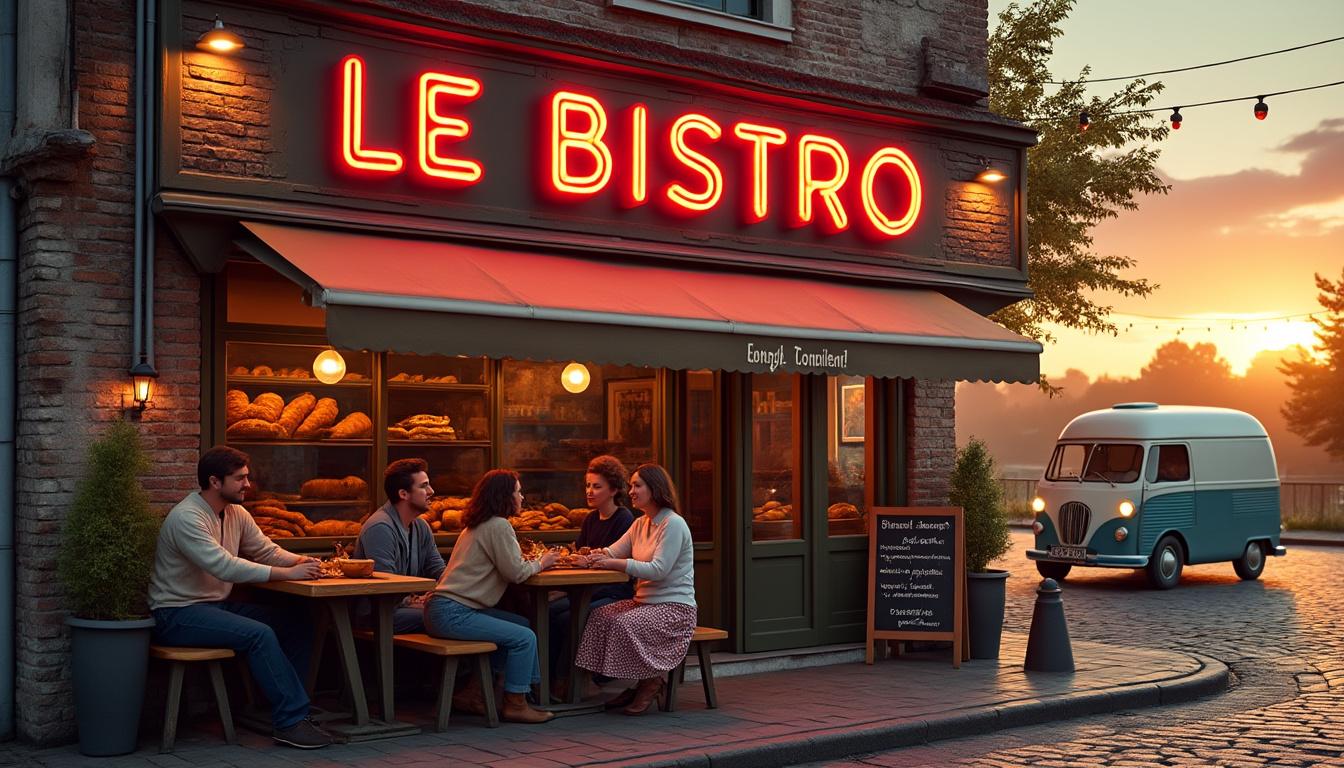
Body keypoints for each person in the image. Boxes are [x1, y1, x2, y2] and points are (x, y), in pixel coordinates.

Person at [148, 446, 332, 749]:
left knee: (298, 622)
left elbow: (266, 550)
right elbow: (223, 565)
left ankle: (285, 708)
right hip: (176, 613)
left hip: (214, 607)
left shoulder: (235, 512)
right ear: (215, 481)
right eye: (240, 478)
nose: (248, 484)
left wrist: (301, 563)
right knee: (259, 634)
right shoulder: (187, 518)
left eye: (247, 477)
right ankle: (290, 721)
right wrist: (285, 574)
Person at [424, 469, 558, 724]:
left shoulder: (476, 524)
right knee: (524, 638)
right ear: (505, 496)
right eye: (518, 492)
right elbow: (516, 572)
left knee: (520, 625)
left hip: (442, 609)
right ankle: (516, 702)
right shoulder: (499, 525)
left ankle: (473, 693)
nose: (522, 497)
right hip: (454, 612)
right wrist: (543, 562)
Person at [575, 463, 696, 716]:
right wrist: (592, 556)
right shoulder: (641, 523)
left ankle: (651, 681)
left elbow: (658, 569)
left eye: (637, 485)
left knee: (623, 623)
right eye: (630, 485)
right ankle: (622, 681)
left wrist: (613, 563)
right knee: (599, 617)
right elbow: (612, 551)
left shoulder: (673, 524)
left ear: (655, 488)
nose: (631, 491)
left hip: (674, 608)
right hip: (645, 603)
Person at [549, 455, 636, 698]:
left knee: (571, 617)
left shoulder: (624, 519)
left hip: (613, 592)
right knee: (550, 613)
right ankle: (548, 679)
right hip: (585, 588)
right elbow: (578, 552)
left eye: (597, 486)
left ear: (614, 489)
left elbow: (613, 566)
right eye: (587, 485)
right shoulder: (590, 519)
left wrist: (586, 561)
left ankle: (571, 680)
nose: (589, 491)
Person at [354, 458, 445, 632]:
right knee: (445, 616)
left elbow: (438, 569)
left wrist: (450, 593)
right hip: (378, 614)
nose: (431, 491)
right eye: (423, 486)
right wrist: (417, 600)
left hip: (403, 608)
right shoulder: (380, 527)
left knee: (459, 613)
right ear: (403, 494)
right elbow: (386, 587)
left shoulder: (421, 526)